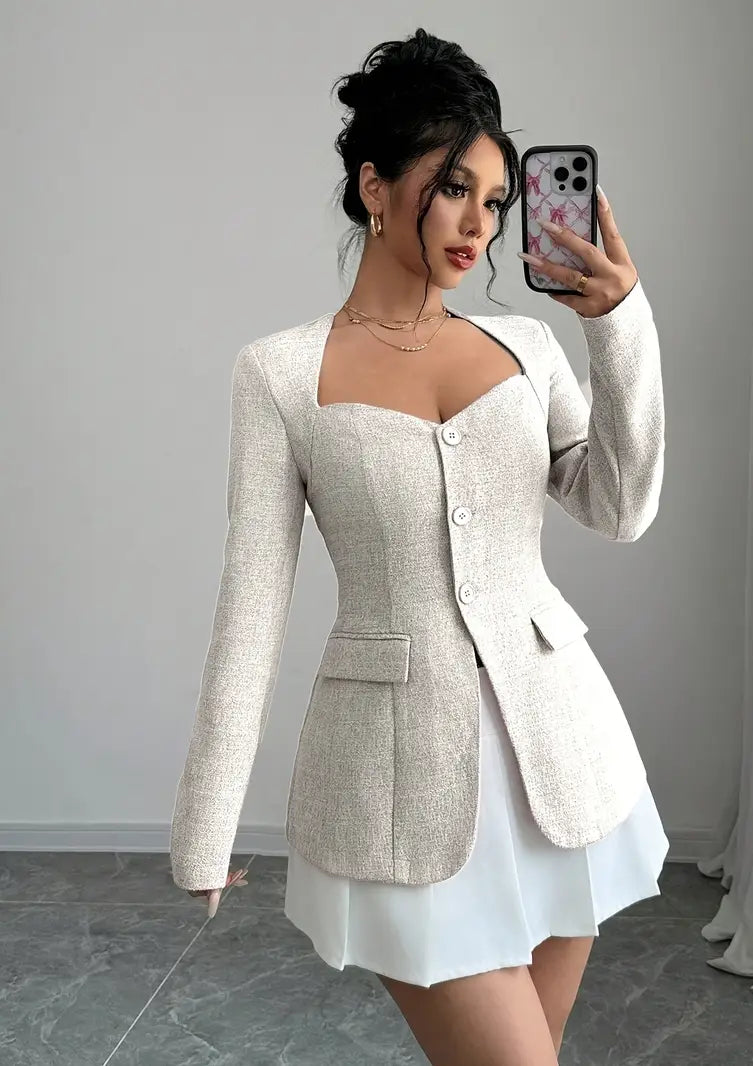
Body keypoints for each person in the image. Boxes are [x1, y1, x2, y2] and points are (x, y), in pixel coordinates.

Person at [170, 26, 669, 1066]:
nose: (478, 225)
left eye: (495, 200)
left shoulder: (527, 347)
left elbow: (618, 506)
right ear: (374, 187)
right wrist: (204, 825)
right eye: (452, 190)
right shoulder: (279, 373)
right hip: (394, 788)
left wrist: (618, 324)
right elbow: (252, 605)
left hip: (560, 759)